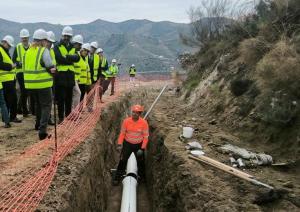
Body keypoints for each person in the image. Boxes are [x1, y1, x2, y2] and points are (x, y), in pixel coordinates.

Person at [23, 29, 56, 140]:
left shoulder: (27, 51)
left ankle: (37, 124)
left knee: (37, 104)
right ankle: (42, 131)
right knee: (46, 106)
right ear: (42, 40)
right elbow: (49, 65)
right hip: (43, 84)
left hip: (30, 85)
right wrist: (53, 70)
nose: (46, 43)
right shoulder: (43, 51)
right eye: (46, 40)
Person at [113, 104, 149, 185]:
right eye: (133, 112)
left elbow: (146, 137)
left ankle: (142, 178)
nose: (134, 114)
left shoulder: (144, 123)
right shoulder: (126, 121)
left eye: (136, 113)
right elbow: (122, 133)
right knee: (122, 161)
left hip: (138, 145)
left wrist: (142, 149)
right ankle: (117, 177)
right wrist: (119, 144)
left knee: (141, 163)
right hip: (127, 144)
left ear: (140, 114)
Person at [53, 26, 80, 123]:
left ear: (71, 37)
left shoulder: (72, 46)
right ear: (62, 35)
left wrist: (67, 57)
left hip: (70, 75)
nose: (66, 38)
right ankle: (61, 118)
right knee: (61, 98)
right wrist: (70, 59)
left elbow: (77, 58)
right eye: (65, 36)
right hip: (61, 75)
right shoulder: (57, 45)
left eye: (68, 36)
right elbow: (58, 58)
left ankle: (68, 115)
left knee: (69, 98)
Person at [0, 35, 21, 123]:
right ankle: (10, 117)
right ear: (4, 42)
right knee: (11, 99)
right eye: (8, 45)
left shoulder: (4, 51)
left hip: (9, 79)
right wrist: (11, 66)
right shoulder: (0, 50)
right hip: (5, 79)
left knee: (9, 99)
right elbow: (0, 64)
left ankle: (7, 117)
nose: (9, 47)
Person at [13, 29, 30, 117]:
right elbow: (13, 60)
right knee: (24, 91)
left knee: (26, 91)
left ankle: (19, 108)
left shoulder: (31, 47)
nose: (24, 39)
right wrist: (19, 63)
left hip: (29, 73)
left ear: (28, 38)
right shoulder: (18, 47)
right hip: (20, 72)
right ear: (21, 38)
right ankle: (25, 110)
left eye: (25, 38)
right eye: (23, 38)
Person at [71, 34, 83, 109]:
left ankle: (74, 110)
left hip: (75, 78)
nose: (80, 47)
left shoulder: (77, 53)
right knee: (78, 93)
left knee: (76, 93)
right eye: (79, 45)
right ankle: (74, 111)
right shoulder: (71, 52)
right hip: (71, 77)